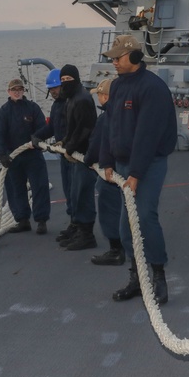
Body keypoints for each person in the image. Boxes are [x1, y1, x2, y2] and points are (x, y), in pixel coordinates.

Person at [99, 35, 177, 304]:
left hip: (147, 165)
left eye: (118, 58)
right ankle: (137, 277)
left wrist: (136, 174)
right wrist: (107, 160)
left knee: (145, 217)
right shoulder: (118, 86)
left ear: (133, 57)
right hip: (122, 165)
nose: (114, 63)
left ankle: (158, 276)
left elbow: (148, 135)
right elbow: (110, 125)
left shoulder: (152, 88)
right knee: (126, 227)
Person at [0, 78, 50, 234]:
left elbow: (42, 128)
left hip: (33, 155)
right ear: (9, 92)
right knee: (15, 189)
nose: (17, 92)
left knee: (40, 187)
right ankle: (22, 220)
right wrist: (2, 155)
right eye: (14, 90)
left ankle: (41, 220)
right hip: (13, 157)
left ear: (24, 91)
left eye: (20, 89)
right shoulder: (4, 112)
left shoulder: (33, 108)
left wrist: (37, 139)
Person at [55, 65, 98, 251]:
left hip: (83, 156)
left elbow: (84, 128)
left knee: (83, 194)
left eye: (68, 80)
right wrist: (64, 142)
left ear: (76, 79)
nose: (65, 83)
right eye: (62, 80)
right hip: (75, 154)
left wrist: (70, 148)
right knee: (74, 192)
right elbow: (72, 128)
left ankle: (87, 235)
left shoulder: (82, 99)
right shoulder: (72, 98)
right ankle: (77, 227)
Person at [83, 78, 124, 265]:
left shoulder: (104, 119)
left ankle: (116, 249)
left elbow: (96, 146)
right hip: (124, 169)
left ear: (105, 96)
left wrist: (87, 160)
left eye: (99, 94)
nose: (98, 98)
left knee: (109, 208)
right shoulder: (124, 114)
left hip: (110, 174)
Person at [32, 69, 74, 240]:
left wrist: (66, 143)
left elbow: (78, 128)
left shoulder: (71, 103)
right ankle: (74, 224)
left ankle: (81, 229)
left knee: (77, 192)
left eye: (56, 87)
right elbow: (52, 127)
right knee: (69, 191)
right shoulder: (57, 105)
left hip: (75, 155)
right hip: (65, 156)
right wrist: (37, 136)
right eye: (51, 89)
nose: (54, 91)